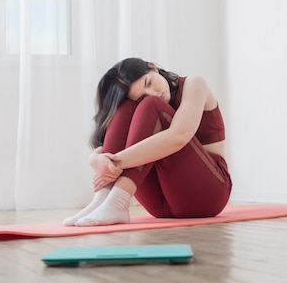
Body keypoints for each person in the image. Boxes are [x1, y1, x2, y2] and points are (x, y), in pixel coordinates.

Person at [63, 57, 232, 226]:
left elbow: (178, 136)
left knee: (152, 105)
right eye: (141, 96)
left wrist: (113, 163)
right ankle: (102, 200)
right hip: (160, 205)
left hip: (209, 194)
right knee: (126, 107)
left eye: (149, 82)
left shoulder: (195, 84)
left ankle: (118, 202)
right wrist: (95, 158)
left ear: (153, 67)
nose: (153, 93)